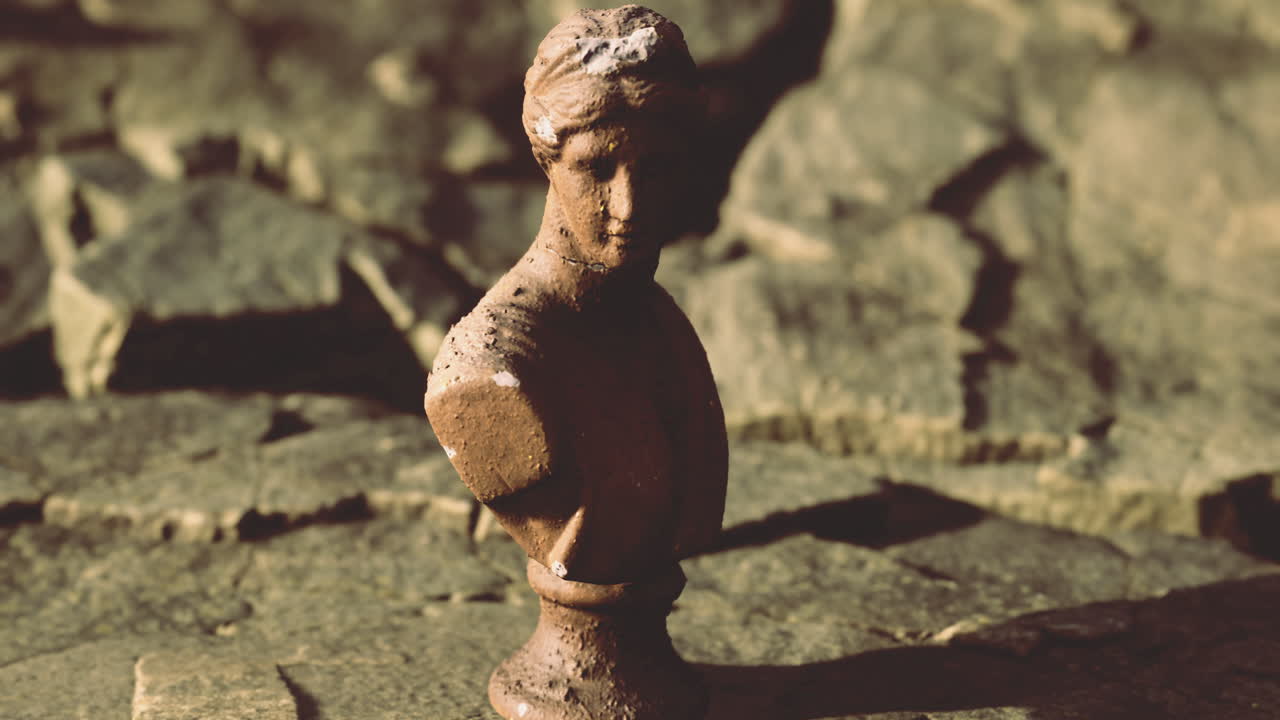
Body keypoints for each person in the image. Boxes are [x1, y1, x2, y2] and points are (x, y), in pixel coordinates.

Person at [424, 5, 727, 587]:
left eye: (655, 168)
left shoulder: (660, 322)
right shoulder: (484, 368)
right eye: (596, 168)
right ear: (548, 161)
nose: (629, 206)